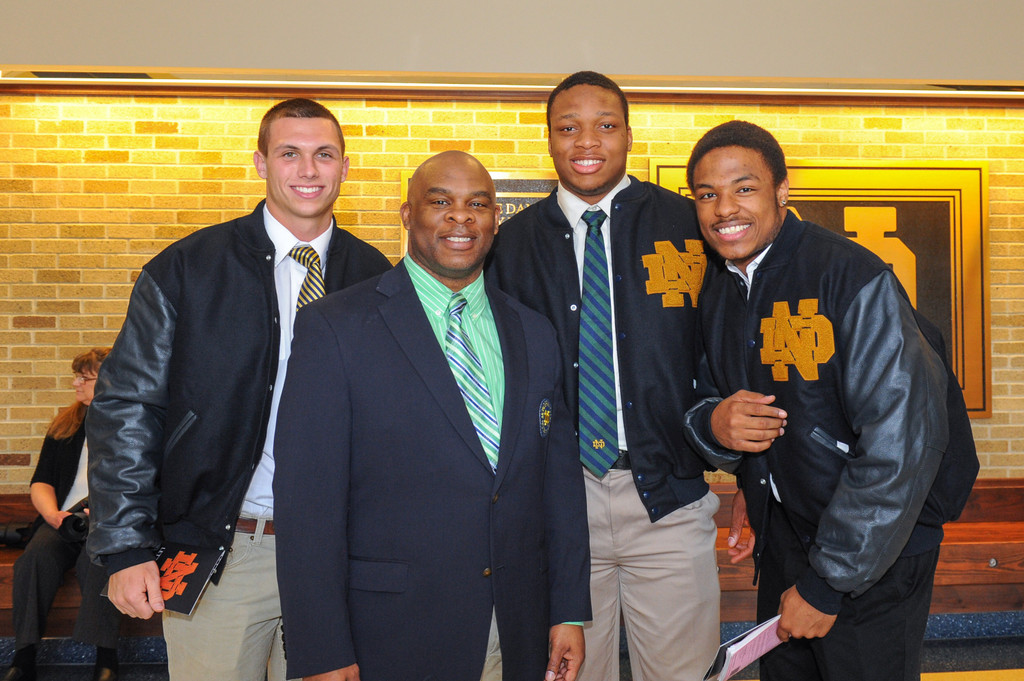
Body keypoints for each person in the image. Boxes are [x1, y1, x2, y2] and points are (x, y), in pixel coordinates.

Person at [85, 98, 392, 681]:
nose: (308, 170)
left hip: (338, 559)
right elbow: (128, 410)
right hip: (225, 552)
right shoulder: (186, 269)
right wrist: (125, 548)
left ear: (346, 168)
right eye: (289, 154)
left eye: (324, 154)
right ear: (260, 163)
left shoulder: (378, 278)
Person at [274, 150, 591, 681]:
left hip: (516, 628)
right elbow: (308, 505)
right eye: (440, 202)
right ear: (407, 215)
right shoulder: (334, 327)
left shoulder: (535, 332)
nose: (460, 217)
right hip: (389, 634)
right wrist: (322, 650)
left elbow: (557, 485)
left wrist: (567, 609)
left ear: (496, 219)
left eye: (478, 204)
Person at [683, 120, 975, 681]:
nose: (724, 209)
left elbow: (903, 441)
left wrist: (827, 582)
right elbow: (712, 402)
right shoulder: (723, 286)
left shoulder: (849, 275)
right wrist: (724, 436)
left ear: (782, 190)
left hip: (873, 554)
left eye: (743, 188)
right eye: (707, 194)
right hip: (789, 543)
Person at [487, 71, 720, 680]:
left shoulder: (689, 225)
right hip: (558, 509)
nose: (586, 141)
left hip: (668, 499)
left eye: (605, 126)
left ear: (629, 135)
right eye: (568, 128)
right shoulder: (509, 247)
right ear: (549, 139)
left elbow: (723, 354)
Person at [3, 348, 121, 681]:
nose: (75, 383)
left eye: (84, 377)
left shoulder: (130, 424)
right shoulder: (65, 425)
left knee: (97, 562)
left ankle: (106, 658)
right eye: (77, 376)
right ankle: (23, 657)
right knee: (35, 558)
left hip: (107, 523)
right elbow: (41, 481)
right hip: (61, 520)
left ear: (110, 379)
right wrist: (54, 515)